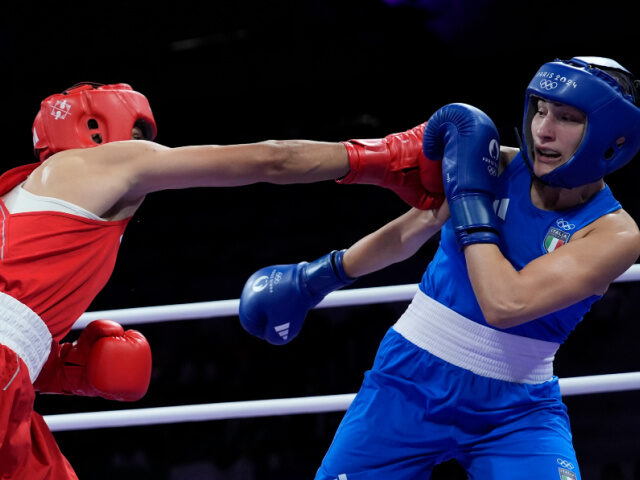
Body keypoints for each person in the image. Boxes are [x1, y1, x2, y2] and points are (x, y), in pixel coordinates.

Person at [0, 81, 444, 479]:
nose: (147, 146)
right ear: (96, 128)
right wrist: (385, 157)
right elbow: (273, 159)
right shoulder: (108, 161)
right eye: (138, 134)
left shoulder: (17, 198)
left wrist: (64, 368)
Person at [239, 56, 640, 478]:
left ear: (611, 137)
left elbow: (505, 303)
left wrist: (469, 203)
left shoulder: (612, 234)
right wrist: (315, 278)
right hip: (407, 379)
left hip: (517, 410)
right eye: (540, 110)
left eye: (567, 117)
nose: (543, 129)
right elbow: (410, 232)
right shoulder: (494, 164)